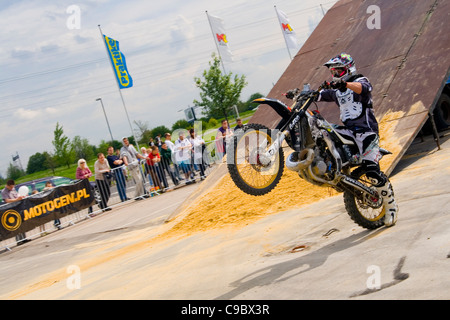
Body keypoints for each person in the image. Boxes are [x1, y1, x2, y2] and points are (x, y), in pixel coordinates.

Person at [317, 53, 398, 226]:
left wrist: (344, 83)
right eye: (333, 72)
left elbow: (364, 89)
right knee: (323, 128)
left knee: (373, 174)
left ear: (348, 68)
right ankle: (330, 165)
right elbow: (320, 95)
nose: (335, 74)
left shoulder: (361, 80)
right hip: (348, 131)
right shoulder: (337, 90)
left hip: (366, 132)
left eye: (338, 70)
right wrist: (303, 94)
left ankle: (390, 206)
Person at [1, 180, 28, 244]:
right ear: (7, 185)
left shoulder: (13, 189)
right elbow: (7, 200)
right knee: (15, 224)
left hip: (18, 207)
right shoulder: (4, 192)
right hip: (11, 209)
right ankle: (19, 240)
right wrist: (16, 199)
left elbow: (17, 195)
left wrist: (20, 197)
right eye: (10, 187)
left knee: (22, 223)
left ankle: (24, 238)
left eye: (12, 187)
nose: (11, 188)